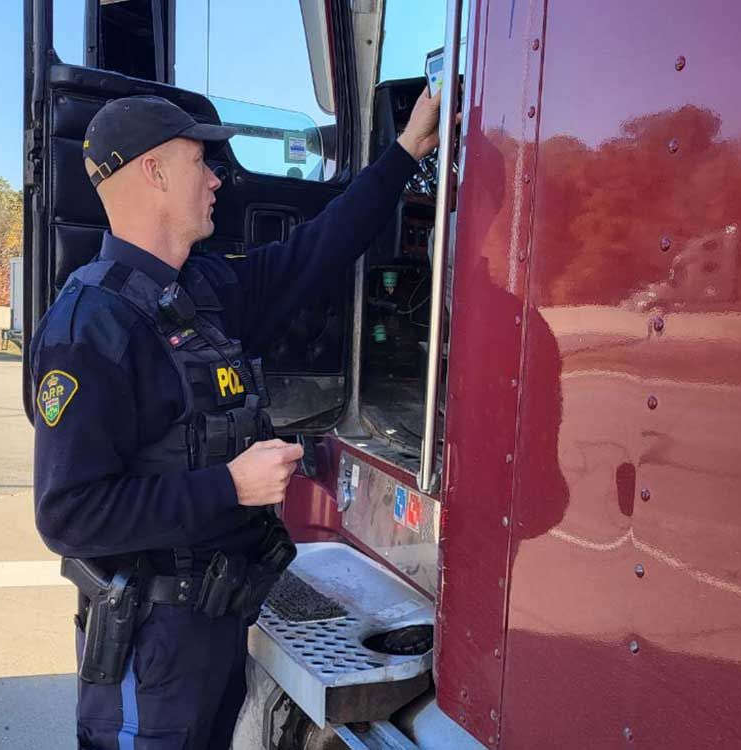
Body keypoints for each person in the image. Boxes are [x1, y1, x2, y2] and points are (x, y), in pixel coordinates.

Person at [30, 90, 441, 749]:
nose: (218, 178)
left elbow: (318, 250)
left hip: (215, 628)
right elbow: (68, 514)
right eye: (203, 161)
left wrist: (405, 152)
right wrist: (230, 487)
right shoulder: (90, 325)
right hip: (151, 651)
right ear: (155, 173)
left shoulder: (201, 290)